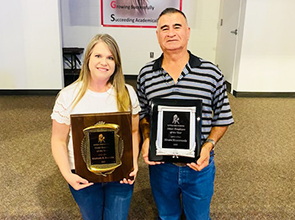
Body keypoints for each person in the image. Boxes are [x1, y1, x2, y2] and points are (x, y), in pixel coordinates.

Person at [137, 8, 234, 220]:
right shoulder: (146, 74)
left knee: (198, 217)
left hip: (199, 165)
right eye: (164, 28)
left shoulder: (211, 73)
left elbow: (223, 118)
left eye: (177, 27)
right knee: (167, 215)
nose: (170, 33)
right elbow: (143, 115)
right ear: (157, 34)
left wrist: (208, 145)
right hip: (162, 167)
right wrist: (146, 139)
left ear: (188, 32)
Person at [51, 34, 141, 220]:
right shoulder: (68, 95)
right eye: (98, 56)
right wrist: (67, 174)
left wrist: (132, 164)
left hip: (119, 175)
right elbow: (58, 140)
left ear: (117, 63)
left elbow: (133, 131)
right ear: (88, 59)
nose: (104, 62)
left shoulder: (126, 93)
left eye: (110, 57)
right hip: (83, 175)